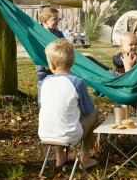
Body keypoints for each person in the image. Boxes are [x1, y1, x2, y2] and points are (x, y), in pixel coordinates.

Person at [38, 38, 98, 169]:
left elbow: (41, 104)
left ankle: (60, 157)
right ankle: (84, 158)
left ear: (52, 65)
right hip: (69, 136)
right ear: (72, 63)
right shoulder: (77, 82)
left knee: (56, 117)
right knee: (94, 113)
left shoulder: (45, 82)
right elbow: (88, 110)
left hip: (45, 133)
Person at [36, 7, 64, 107]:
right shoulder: (37, 32)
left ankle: (55, 107)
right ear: (45, 21)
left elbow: (64, 48)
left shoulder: (58, 34)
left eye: (58, 19)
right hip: (43, 68)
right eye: (54, 19)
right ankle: (42, 108)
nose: (57, 21)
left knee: (56, 89)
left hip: (57, 68)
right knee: (43, 89)